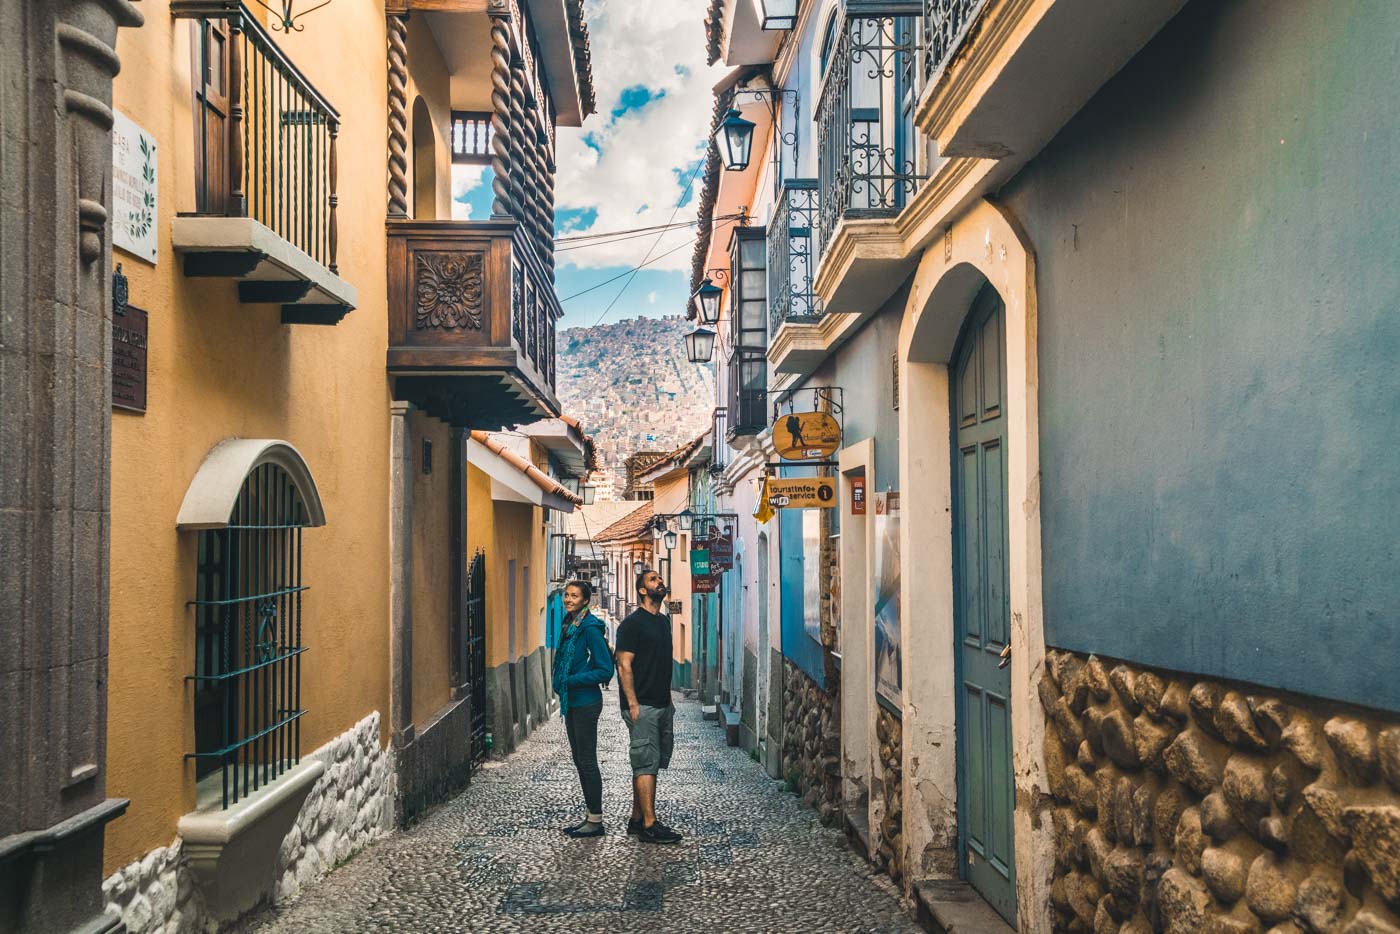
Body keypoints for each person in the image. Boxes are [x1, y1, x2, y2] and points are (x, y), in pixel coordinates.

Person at [614, 569, 683, 844]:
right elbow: (624, 665)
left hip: (662, 703)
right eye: (653, 580)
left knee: (650, 762)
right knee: (645, 763)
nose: (660, 582)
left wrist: (668, 701)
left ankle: (636, 818)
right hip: (641, 705)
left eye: (660, 579)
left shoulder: (663, 621)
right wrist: (632, 704)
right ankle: (650, 825)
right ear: (642, 590)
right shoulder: (631, 625)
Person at [551, 580, 614, 838]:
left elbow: (605, 669)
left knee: (587, 761)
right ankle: (590, 815)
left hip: (586, 702)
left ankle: (596, 820)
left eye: (574, 596)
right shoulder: (570, 625)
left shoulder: (589, 628)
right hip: (573, 702)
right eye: (566, 595)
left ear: (586, 600)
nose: (568, 599)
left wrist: (571, 681)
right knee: (580, 760)